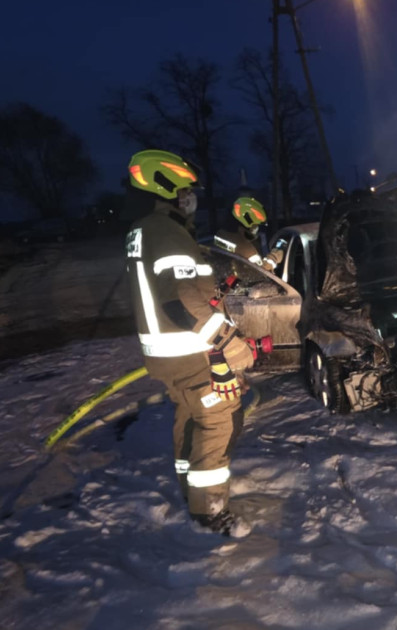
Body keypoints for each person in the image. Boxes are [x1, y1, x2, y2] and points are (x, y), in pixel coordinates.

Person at [124, 150, 248, 535]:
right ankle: (210, 511)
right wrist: (228, 341)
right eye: (187, 190)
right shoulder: (168, 233)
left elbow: (178, 292)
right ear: (168, 189)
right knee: (215, 421)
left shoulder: (141, 231)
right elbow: (179, 302)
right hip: (187, 351)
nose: (191, 197)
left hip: (164, 355)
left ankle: (190, 484)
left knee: (188, 417)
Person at [215, 196, 284, 272]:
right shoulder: (245, 247)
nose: (257, 228)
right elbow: (259, 272)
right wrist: (274, 258)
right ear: (248, 220)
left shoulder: (223, 234)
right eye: (256, 225)